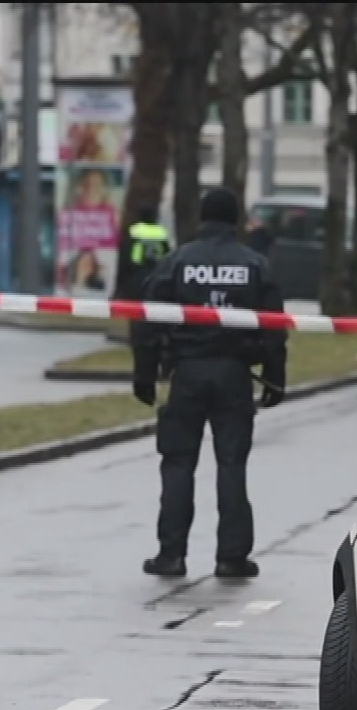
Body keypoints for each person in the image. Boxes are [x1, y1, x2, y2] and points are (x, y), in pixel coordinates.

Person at [132, 187, 288, 580]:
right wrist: (275, 376)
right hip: (234, 375)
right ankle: (231, 557)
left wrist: (145, 373)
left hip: (186, 373)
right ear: (235, 220)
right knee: (232, 464)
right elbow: (273, 328)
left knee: (178, 463)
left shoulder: (176, 263)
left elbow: (147, 319)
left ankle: (171, 555)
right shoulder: (254, 265)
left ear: (201, 218)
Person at [115, 206, 174, 303]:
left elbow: (125, 254)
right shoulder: (161, 231)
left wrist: (121, 281)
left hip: (136, 271)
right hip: (156, 272)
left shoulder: (135, 230)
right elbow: (168, 254)